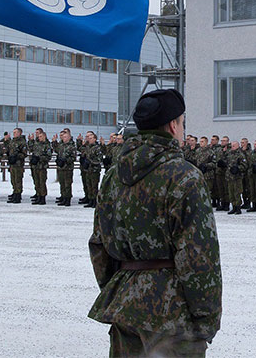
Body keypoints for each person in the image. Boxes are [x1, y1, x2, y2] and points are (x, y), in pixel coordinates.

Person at [88, 88, 221, 356]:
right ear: (173, 125)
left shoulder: (113, 175)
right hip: (172, 317)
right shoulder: (184, 177)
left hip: (125, 308)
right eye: (182, 123)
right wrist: (207, 318)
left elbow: (99, 245)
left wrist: (122, 288)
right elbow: (199, 255)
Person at [80, 132, 104, 208]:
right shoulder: (88, 147)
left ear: (95, 139)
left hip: (94, 170)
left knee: (94, 186)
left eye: (91, 138)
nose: (89, 140)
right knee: (89, 185)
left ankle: (95, 201)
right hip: (88, 170)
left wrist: (91, 161)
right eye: (89, 138)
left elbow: (99, 159)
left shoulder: (97, 148)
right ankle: (90, 200)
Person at [53, 130, 78, 206]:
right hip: (61, 168)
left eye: (66, 137)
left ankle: (68, 199)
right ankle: (63, 197)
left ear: (69, 137)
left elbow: (73, 158)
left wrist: (65, 160)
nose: (64, 138)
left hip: (68, 168)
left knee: (67, 184)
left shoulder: (71, 146)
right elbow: (56, 151)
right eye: (63, 137)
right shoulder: (61, 146)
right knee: (62, 183)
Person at [29, 129, 52, 205]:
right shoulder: (37, 144)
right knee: (37, 182)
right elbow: (31, 149)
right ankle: (38, 196)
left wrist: (40, 158)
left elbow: (48, 156)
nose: (39, 138)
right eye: (38, 136)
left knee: (42, 182)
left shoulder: (47, 145)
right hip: (36, 166)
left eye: (41, 136)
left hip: (42, 166)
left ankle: (42, 197)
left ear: (44, 136)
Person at [5, 128, 27, 204]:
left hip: (18, 164)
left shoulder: (22, 142)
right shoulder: (12, 141)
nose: (14, 134)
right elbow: (8, 150)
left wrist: (16, 156)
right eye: (13, 132)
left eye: (15, 132)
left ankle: (18, 195)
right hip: (12, 164)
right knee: (13, 180)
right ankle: (14, 192)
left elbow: (24, 153)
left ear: (20, 133)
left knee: (18, 180)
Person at [224, 141, 247, 215]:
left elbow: (244, 165)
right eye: (231, 146)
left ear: (237, 146)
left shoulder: (240, 155)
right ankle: (233, 206)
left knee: (237, 192)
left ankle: (238, 207)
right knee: (231, 193)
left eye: (234, 146)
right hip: (229, 176)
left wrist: (238, 168)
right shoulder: (229, 154)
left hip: (237, 177)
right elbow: (226, 163)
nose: (232, 147)